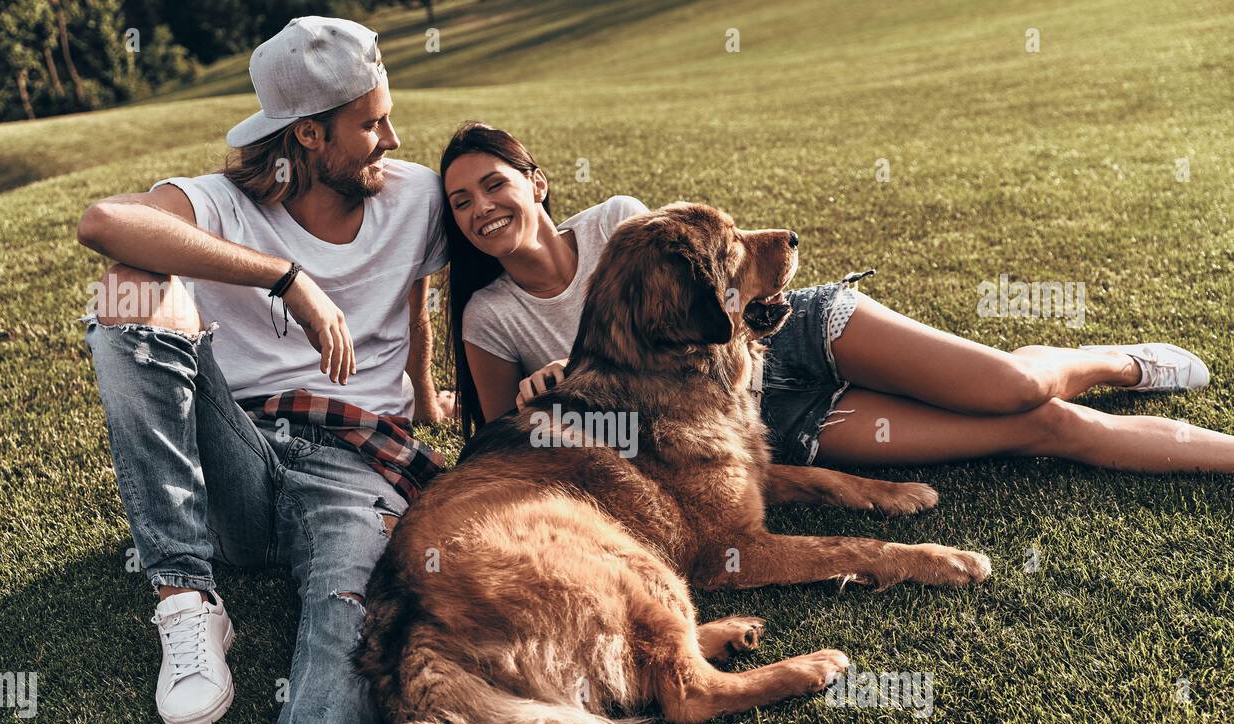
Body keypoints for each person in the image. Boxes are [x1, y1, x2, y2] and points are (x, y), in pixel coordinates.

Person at [76, 17, 448, 724]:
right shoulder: (223, 204)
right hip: (237, 460)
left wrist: (424, 394)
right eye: (370, 123)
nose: (391, 138)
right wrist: (286, 278)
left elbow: (418, 298)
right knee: (126, 294)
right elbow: (104, 222)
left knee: (343, 615)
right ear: (308, 136)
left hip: (358, 467)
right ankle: (184, 597)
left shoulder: (415, 194)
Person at [441, 122, 1234, 473]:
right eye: (461, 203)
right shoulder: (489, 315)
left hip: (797, 334)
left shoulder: (616, 222)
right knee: (1039, 428)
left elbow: (723, 267)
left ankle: (1123, 364)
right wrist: (544, 386)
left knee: (1017, 385)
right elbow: (519, 434)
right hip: (761, 418)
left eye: (494, 184)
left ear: (536, 182)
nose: (482, 209)